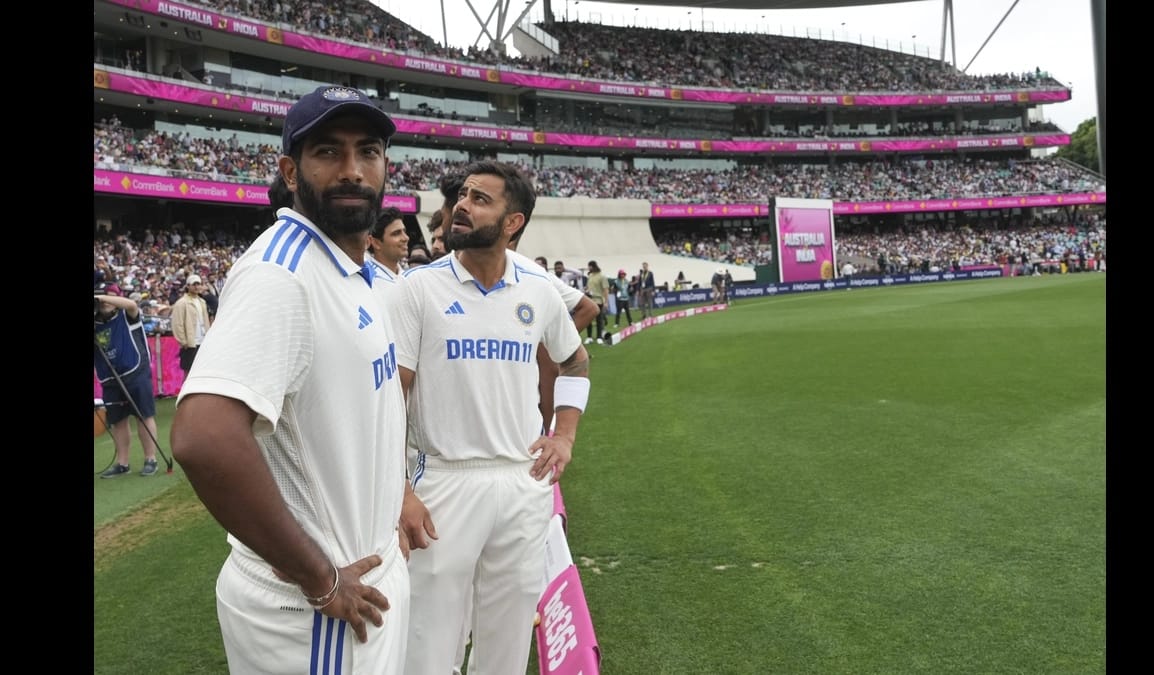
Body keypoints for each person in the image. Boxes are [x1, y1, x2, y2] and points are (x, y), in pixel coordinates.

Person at [169, 84, 410, 673]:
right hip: (316, 611)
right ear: (290, 171)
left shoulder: (355, 268)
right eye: (328, 151)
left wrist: (391, 501)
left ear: (386, 166)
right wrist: (320, 579)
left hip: (364, 577)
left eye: (368, 151)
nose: (352, 170)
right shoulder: (282, 275)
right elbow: (203, 437)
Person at [395, 160, 591, 675]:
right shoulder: (417, 288)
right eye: (463, 194)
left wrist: (565, 436)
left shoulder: (537, 289)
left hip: (522, 481)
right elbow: (392, 398)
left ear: (512, 222)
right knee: (428, 645)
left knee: (507, 644)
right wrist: (401, 490)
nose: (462, 205)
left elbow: (575, 361)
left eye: (480, 199)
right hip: (443, 482)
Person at [94, 287, 161, 478]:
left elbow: (131, 304)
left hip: (135, 372)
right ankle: (122, 463)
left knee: (144, 416)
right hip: (110, 378)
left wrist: (101, 297)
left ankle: (150, 459)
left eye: (110, 299)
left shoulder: (127, 315)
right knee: (118, 421)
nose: (105, 303)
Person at [169, 274, 211, 378]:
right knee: (188, 372)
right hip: (190, 343)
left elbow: (206, 320)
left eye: (198, 284)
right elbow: (177, 324)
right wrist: (183, 341)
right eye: (194, 284)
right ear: (188, 286)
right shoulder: (181, 303)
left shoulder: (202, 302)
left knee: (202, 370)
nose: (197, 287)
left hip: (202, 341)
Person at [368, 206, 409, 287]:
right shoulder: (369, 280)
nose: (406, 238)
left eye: (404, 231)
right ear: (376, 243)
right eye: (396, 233)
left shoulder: (408, 277)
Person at [583, 260, 609, 344]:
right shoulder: (590, 276)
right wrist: (586, 290)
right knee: (588, 319)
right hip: (590, 300)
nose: (588, 268)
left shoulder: (602, 276)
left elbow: (605, 289)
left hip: (598, 300)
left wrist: (606, 302)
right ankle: (589, 337)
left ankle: (599, 337)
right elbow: (588, 287)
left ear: (593, 266)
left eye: (590, 267)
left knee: (599, 319)